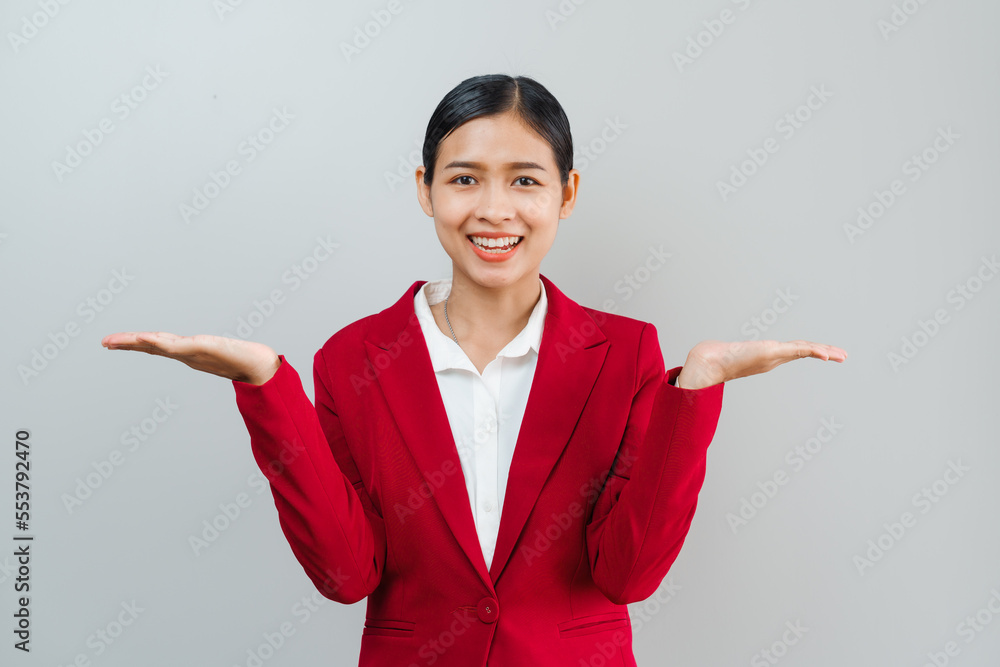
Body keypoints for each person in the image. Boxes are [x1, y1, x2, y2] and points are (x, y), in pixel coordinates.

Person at [102, 73, 846, 666]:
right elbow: (346, 575)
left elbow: (628, 575)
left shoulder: (626, 353)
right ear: (424, 188)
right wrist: (266, 385)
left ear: (567, 193)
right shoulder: (354, 358)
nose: (494, 210)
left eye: (525, 180)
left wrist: (697, 389)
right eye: (464, 179)